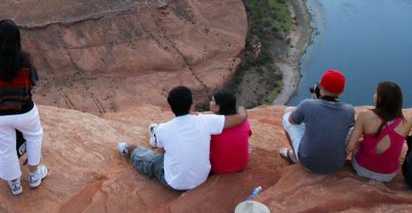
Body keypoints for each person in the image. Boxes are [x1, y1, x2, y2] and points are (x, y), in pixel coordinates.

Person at [117, 86, 248, 191]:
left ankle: (129, 150)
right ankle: (154, 133)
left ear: (171, 107)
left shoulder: (166, 128)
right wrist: (242, 113)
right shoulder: (205, 121)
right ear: (191, 104)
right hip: (202, 178)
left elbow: (161, 148)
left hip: (174, 182)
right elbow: (236, 119)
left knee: (149, 157)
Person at [0, 20, 47, 196]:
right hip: (24, 111)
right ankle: (34, 176)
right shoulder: (25, 60)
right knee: (34, 137)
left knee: (5, 147)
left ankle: (15, 184)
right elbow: (33, 82)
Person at [280, 69, 354, 174]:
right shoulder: (349, 110)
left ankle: (294, 156)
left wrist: (313, 103)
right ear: (341, 91)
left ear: (321, 86)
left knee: (286, 115)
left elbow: (292, 121)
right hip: (336, 165)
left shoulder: (307, 104)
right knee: (352, 130)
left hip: (307, 162)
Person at [346, 81, 412, 182]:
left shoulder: (365, 116)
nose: (374, 95)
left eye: (376, 93)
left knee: (353, 136)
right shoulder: (408, 121)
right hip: (388, 175)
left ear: (381, 98)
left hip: (362, 169)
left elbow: (350, 146)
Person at [209, 90, 251, 174]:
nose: (210, 102)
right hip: (241, 165)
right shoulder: (244, 122)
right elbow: (248, 134)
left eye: (213, 101)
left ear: (218, 107)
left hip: (219, 169)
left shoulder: (211, 125)